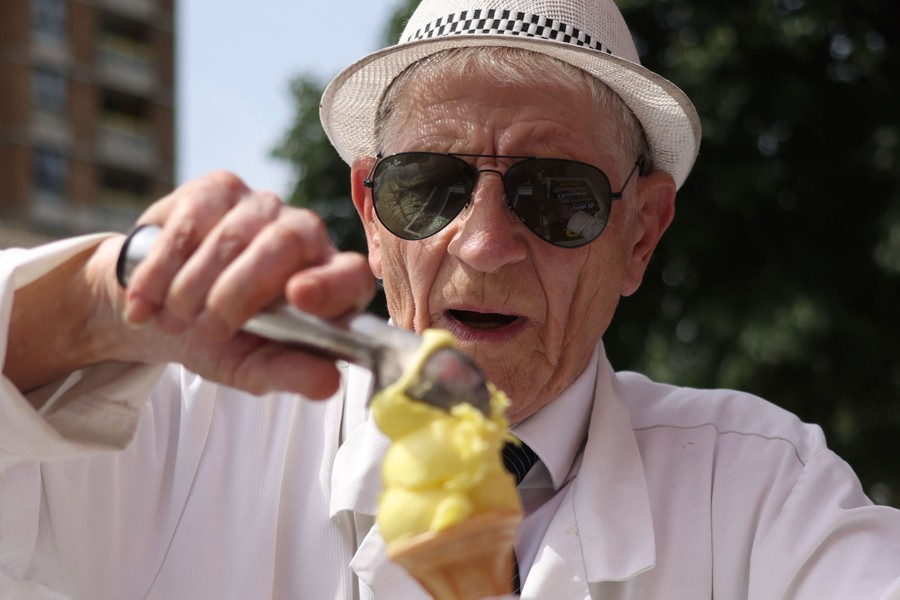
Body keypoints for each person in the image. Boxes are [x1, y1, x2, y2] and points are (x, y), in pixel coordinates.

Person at [1, 0, 898, 598]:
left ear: (641, 234)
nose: (484, 242)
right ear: (370, 213)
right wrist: (97, 305)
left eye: (559, 195)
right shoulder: (177, 436)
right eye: (427, 187)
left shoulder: (757, 494)